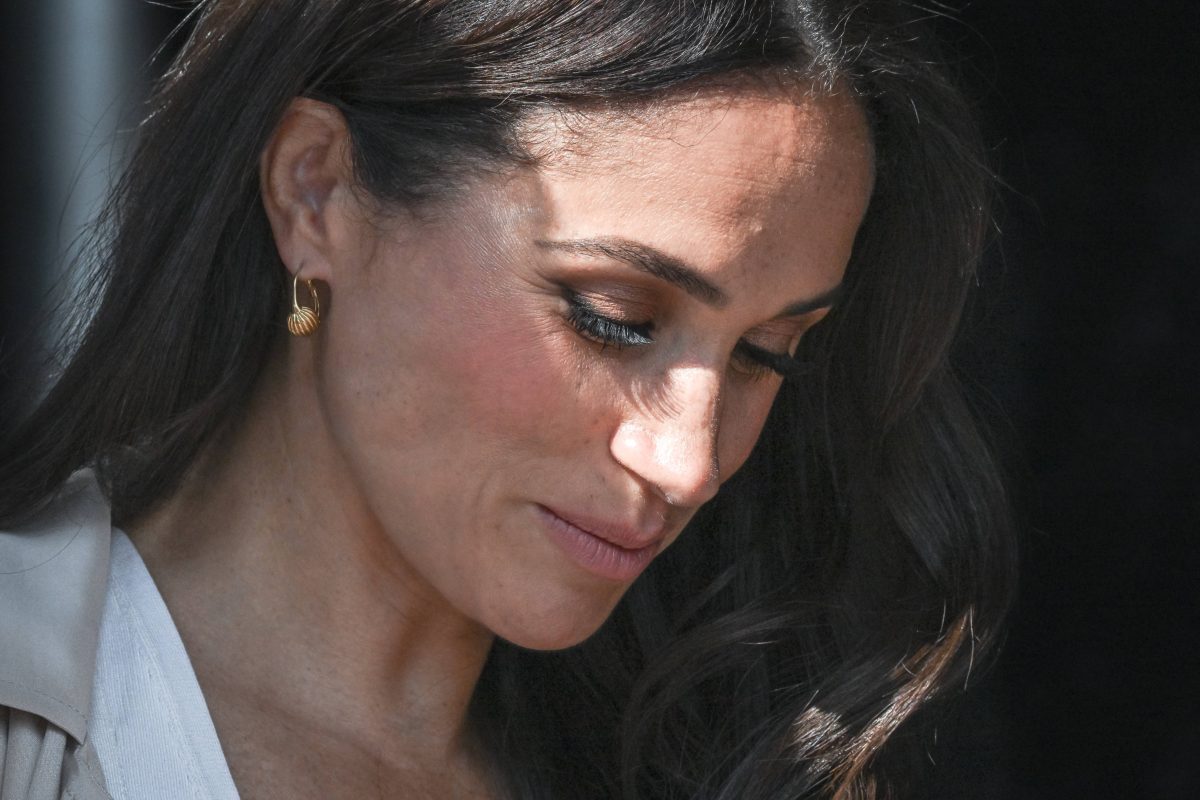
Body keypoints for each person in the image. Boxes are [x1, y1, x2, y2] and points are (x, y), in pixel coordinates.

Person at [0, 1, 1016, 798]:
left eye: (765, 356)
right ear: (315, 191)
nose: (690, 463)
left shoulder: (748, 758)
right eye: (614, 318)